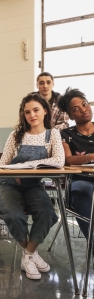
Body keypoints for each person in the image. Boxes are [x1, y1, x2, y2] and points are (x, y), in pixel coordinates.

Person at [0, 93, 64, 280]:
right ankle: (31, 255)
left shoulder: (53, 134)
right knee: (13, 214)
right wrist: (0, 168)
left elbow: (59, 160)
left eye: (36, 110)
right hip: (10, 184)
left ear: (45, 111)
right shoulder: (16, 135)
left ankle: (28, 255)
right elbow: (3, 162)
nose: (32, 115)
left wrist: (32, 165)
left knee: (47, 213)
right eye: (27, 112)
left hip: (34, 185)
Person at [58, 88, 94, 240]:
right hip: (80, 180)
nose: (83, 110)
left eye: (84, 104)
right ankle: (92, 242)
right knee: (81, 190)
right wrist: (91, 156)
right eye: (76, 109)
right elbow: (68, 160)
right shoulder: (66, 134)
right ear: (71, 115)